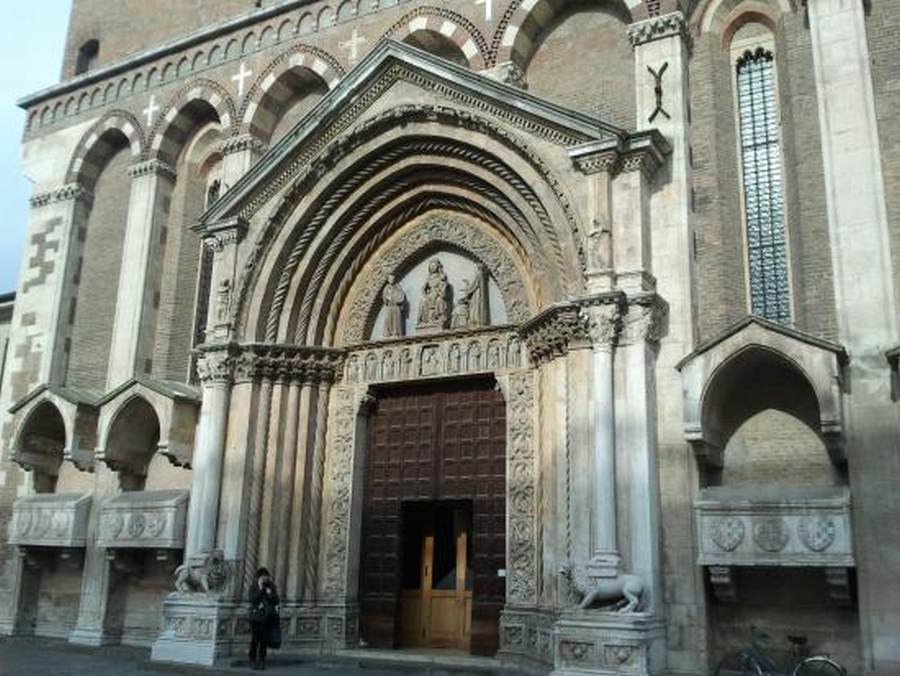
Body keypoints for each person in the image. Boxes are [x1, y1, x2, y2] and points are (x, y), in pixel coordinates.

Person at [248, 567, 279, 671]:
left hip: (267, 617)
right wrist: (261, 589)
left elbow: (276, 600)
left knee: (264, 640)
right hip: (255, 618)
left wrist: (270, 593)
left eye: (266, 576)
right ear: (258, 577)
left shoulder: (271, 586)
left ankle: (262, 660)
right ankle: (252, 659)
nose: (265, 578)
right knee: (255, 639)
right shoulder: (254, 586)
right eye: (263, 576)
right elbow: (253, 600)